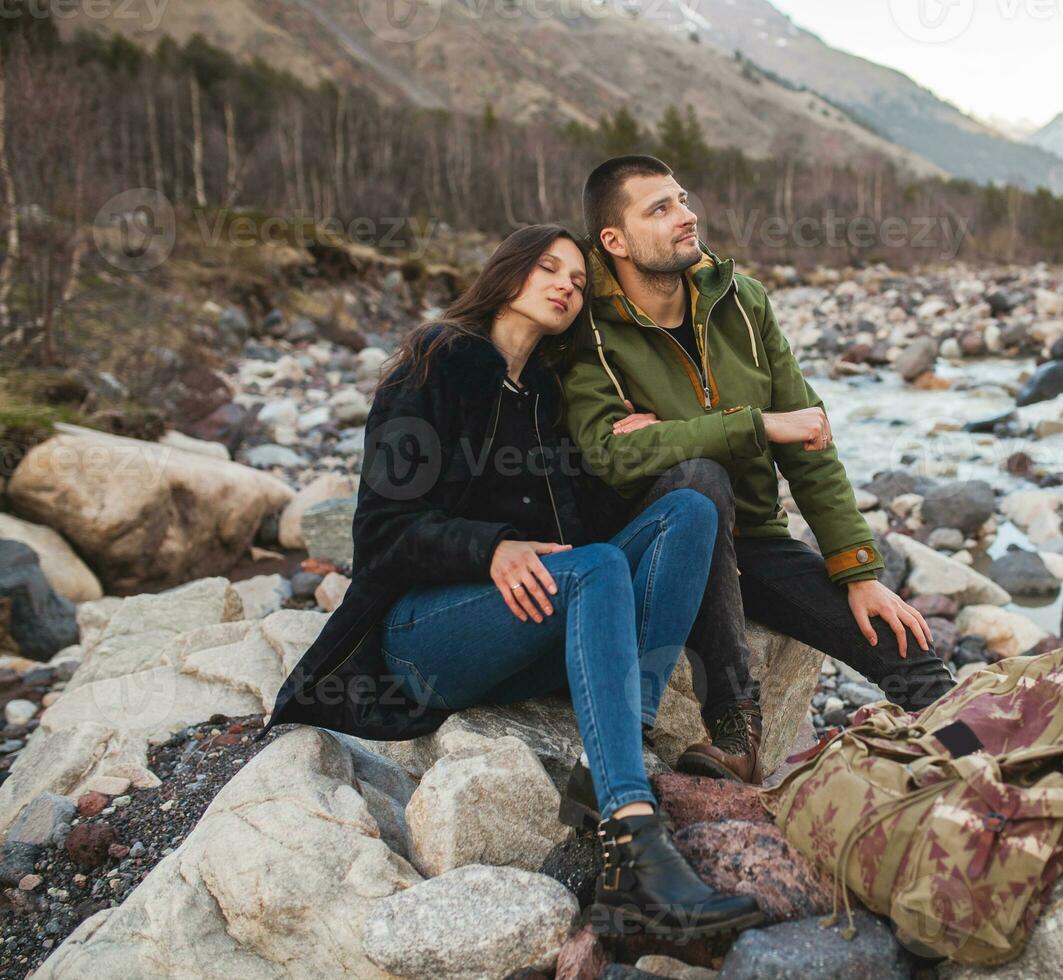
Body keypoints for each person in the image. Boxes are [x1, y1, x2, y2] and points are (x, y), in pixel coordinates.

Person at [264, 225, 762, 940]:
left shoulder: (547, 395)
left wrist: (632, 448)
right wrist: (490, 549)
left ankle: (611, 759)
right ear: (507, 274)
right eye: (547, 268)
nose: (566, 283)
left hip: (526, 629)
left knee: (685, 509)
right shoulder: (433, 363)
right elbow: (380, 531)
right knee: (595, 567)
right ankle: (634, 844)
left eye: (578, 280)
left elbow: (584, 527)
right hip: (424, 639)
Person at [563, 156, 957, 785]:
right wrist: (752, 426)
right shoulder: (587, 327)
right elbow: (610, 454)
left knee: (900, 640)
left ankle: (978, 745)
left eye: (683, 199)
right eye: (658, 209)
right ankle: (735, 724)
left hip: (752, 541)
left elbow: (809, 437)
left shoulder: (740, 301)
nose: (687, 216)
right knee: (699, 480)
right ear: (614, 241)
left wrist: (856, 565)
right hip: (656, 545)